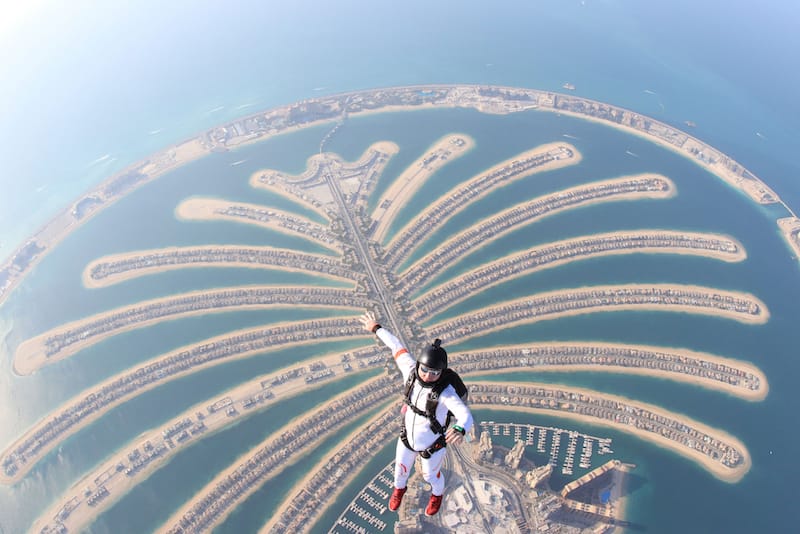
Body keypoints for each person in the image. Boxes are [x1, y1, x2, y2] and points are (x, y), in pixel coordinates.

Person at [359, 311, 473, 517]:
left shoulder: (445, 392)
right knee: (400, 472)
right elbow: (395, 345)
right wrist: (376, 328)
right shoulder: (410, 371)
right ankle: (399, 491)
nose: (429, 376)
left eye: (435, 373)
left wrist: (459, 428)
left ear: (441, 373)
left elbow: (464, 414)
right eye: (426, 370)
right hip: (407, 439)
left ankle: (437, 495)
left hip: (432, 445)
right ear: (419, 365)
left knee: (431, 476)